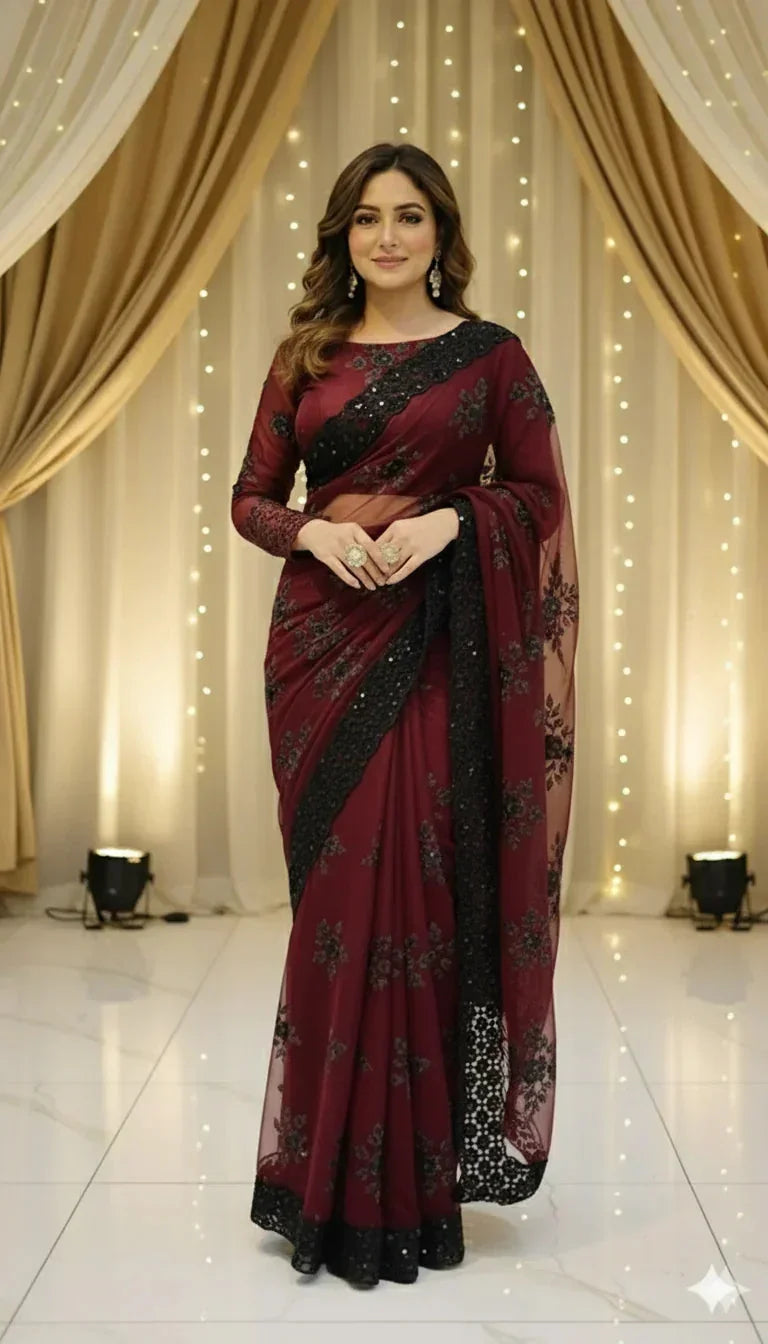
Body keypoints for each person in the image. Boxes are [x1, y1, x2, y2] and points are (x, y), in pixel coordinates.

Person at [231, 142, 579, 1288]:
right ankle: (321, 1181)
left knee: (420, 892)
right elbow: (250, 497)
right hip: (318, 653)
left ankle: (415, 1184)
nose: (388, 237)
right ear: (342, 234)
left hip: (435, 651)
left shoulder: (491, 359)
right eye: (368, 218)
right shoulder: (307, 357)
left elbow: (538, 497)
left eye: (411, 217)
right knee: (337, 899)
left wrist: (450, 523)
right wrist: (313, 532)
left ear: (441, 233)